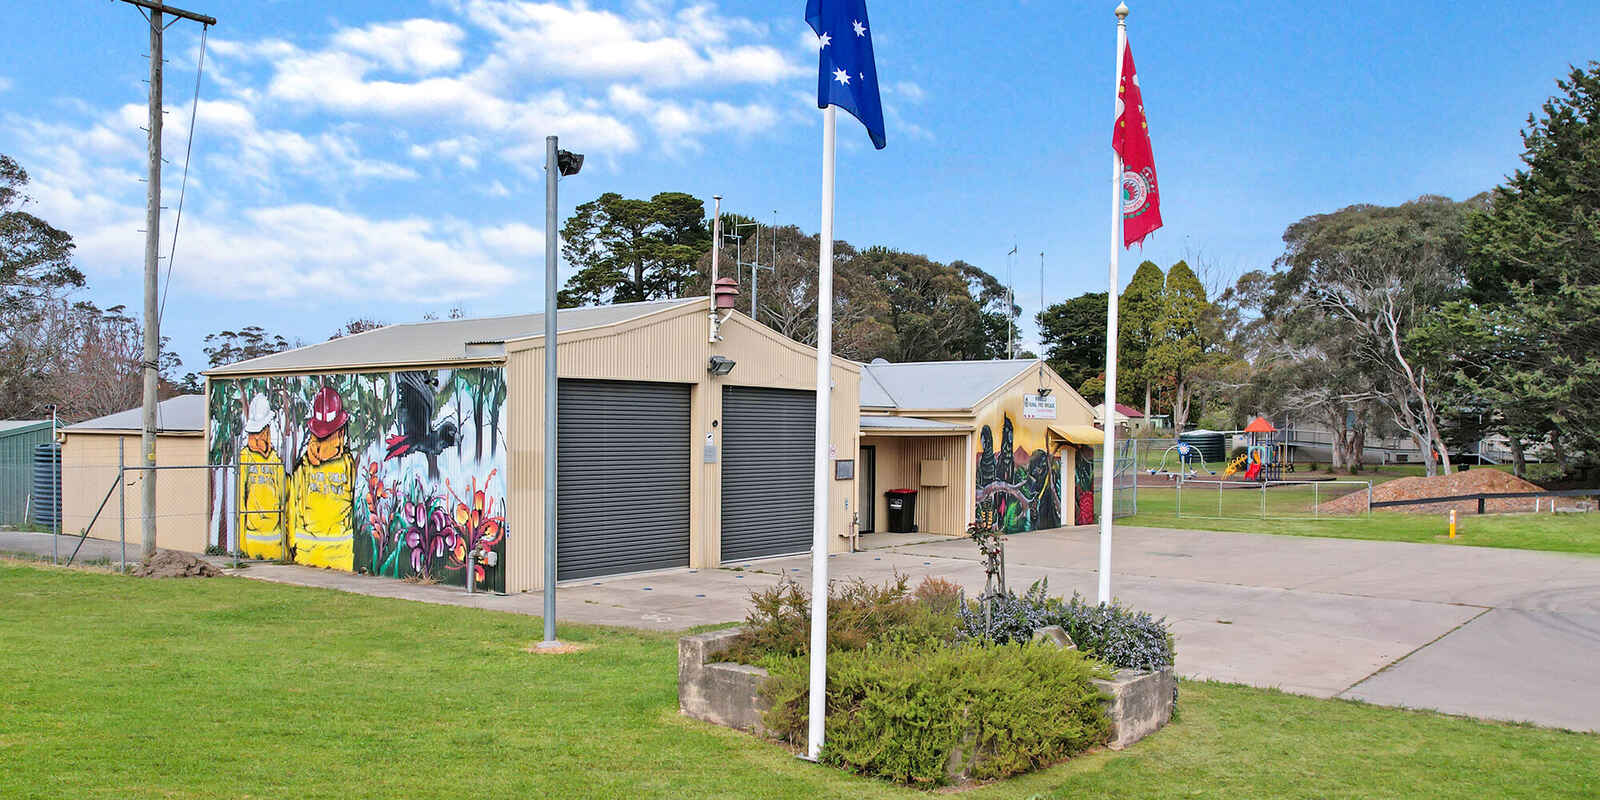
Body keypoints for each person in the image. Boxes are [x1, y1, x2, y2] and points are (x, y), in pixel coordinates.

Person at [289, 386, 357, 570]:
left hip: (312, 553)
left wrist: (291, 544)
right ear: (341, 431)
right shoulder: (347, 463)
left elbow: (293, 506)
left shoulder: (304, 466)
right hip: (337, 554)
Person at [237, 395, 287, 559]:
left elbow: (283, 499)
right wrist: (241, 545)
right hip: (252, 537)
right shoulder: (245, 457)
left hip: (276, 540)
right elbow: (240, 500)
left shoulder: (275, 460)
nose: (258, 437)